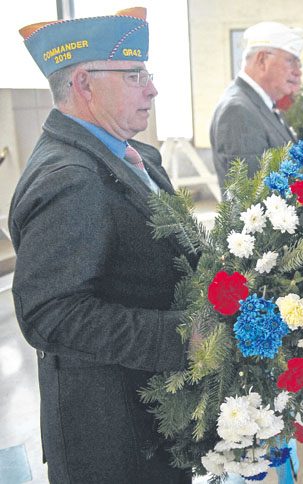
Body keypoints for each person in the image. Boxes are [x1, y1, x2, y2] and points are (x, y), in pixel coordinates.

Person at [11, 8, 195, 483]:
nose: (151, 89)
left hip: (152, 418)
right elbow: (50, 314)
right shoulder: (70, 180)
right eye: (135, 75)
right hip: (113, 440)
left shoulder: (138, 157)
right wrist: (185, 338)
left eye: (147, 74)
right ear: (84, 84)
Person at [210, 21, 303, 194]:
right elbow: (253, 197)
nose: (298, 71)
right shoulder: (238, 111)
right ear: (262, 60)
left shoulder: (260, 104)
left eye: (299, 64)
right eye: (290, 61)